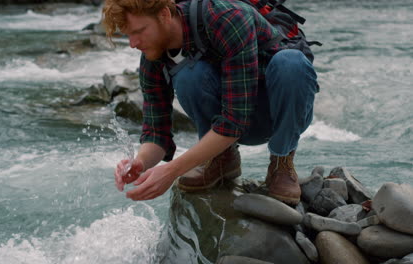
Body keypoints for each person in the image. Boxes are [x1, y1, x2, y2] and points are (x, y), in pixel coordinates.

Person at [103, 0, 318, 205]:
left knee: (291, 62)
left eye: (139, 31)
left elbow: (235, 121)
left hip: (274, 112)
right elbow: (157, 134)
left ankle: (282, 163)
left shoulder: (227, 18)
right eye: (128, 35)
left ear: (164, 14)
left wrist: (171, 171)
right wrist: (140, 163)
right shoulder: (152, 54)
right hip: (227, 124)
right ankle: (221, 159)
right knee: (189, 75)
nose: (133, 44)